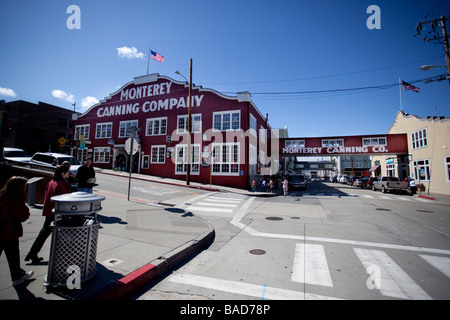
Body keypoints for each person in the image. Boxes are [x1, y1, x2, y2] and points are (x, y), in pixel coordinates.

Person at [25, 165, 71, 264]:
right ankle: (63, 256)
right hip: (58, 213)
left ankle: (32, 253)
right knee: (63, 235)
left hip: (49, 211)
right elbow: (66, 199)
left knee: (43, 233)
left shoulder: (52, 182)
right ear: (63, 173)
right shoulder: (62, 184)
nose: (69, 173)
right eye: (67, 172)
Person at [0, 176, 34, 286]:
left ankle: (18, 275)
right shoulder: (16, 200)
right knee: (13, 256)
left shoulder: (2, 195)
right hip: (9, 232)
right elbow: (24, 216)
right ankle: (17, 276)